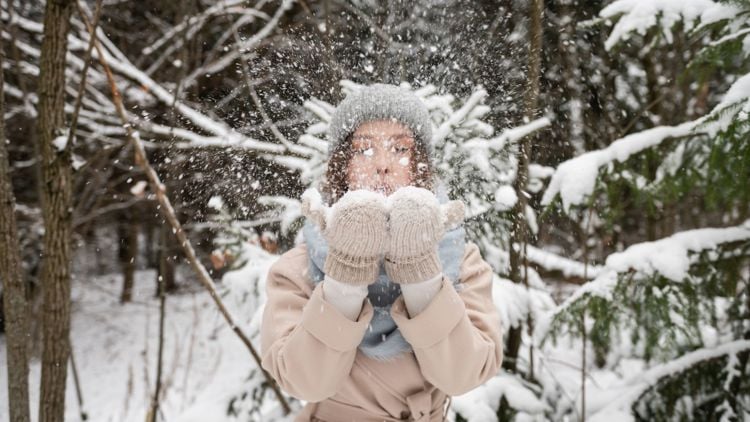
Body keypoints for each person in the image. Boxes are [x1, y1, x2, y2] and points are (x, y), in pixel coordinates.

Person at [260, 83, 503, 422]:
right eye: (364, 150)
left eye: (400, 148)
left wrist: (419, 268)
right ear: (342, 166)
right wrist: (345, 270)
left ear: (420, 165)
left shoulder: (461, 260)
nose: (383, 165)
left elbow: (462, 376)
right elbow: (306, 382)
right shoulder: (297, 269)